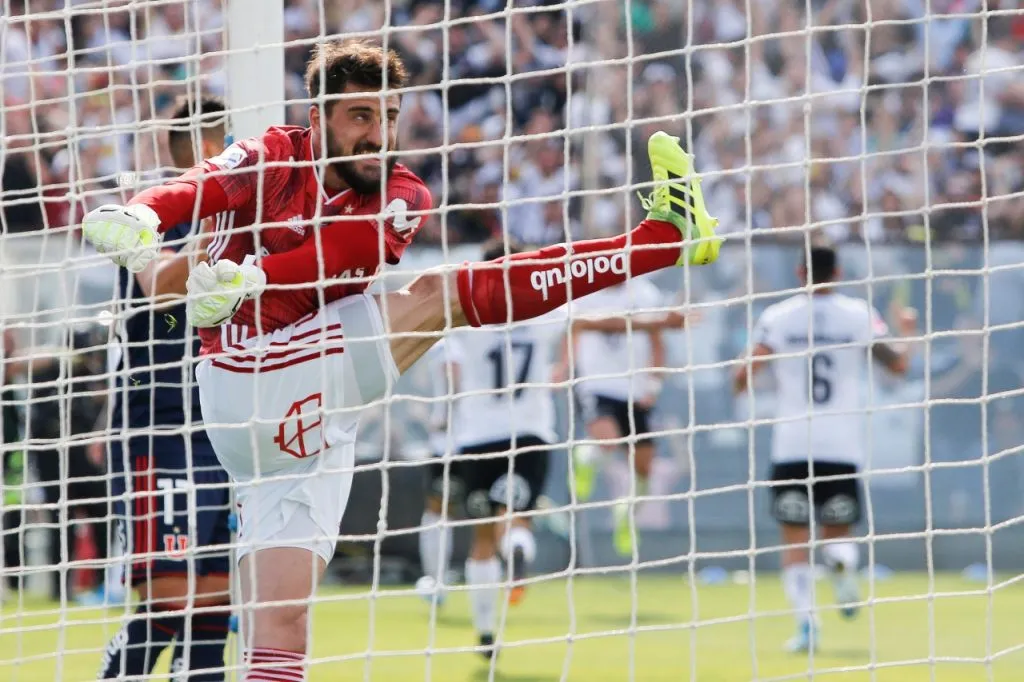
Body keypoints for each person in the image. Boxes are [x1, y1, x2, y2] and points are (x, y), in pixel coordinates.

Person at [81, 38, 720, 679]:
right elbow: (199, 185)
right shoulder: (271, 156)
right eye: (360, 116)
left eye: (388, 116)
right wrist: (138, 214)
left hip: (308, 426)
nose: (377, 135)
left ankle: (665, 239)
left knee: (280, 626)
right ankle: (661, 240)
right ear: (318, 119)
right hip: (248, 379)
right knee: (443, 296)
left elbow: (348, 253)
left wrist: (255, 277)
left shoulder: (404, 193)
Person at [99, 96, 233, 682]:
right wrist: (231, 232)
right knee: (168, 602)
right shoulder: (144, 215)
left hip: (229, 427)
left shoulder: (246, 212)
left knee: (214, 613)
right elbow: (161, 285)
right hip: (161, 426)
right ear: (209, 149)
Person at [733, 244, 917, 654]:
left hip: (792, 444)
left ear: (799, 272)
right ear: (838, 272)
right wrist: (908, 330)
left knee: (795, 542)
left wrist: (746, 376)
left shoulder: (777, 317)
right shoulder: (858, 315)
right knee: (837, 533)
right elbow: (898, 365)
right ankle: (842, 566)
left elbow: (743, 377)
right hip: (841, 446)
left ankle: (807, 626)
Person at [566, 275, 682, 556]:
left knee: (644, 468)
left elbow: (657, 341)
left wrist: (654, 384)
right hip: (596, 384)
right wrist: (565, 365)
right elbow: (574, 328)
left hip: (634, 387)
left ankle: (626, 513)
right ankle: (585, 458)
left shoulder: (646, 294)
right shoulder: (583, 292)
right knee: (608, 440)